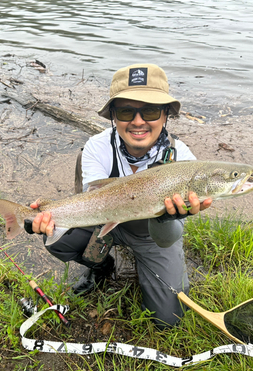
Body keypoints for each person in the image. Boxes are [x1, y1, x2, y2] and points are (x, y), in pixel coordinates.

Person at [26, 63, 212, 328]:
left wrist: (167, 218)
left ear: (165, 115)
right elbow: (92, 205)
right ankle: (100, 265)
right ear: (114, 116)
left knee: (168, 320)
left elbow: (167, 238)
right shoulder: (97, 148)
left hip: (152, 235)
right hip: (103, 218)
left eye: (150, 110)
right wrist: (46, 214)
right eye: (126, 111)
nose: (138, 121)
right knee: (55, 238)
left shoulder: (183, 160)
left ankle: (143, 265)